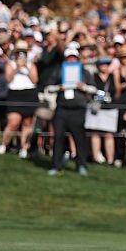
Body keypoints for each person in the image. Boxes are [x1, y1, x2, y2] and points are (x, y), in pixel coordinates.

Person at [48, 44, 91, 177]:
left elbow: (94, 89)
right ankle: (56, 165)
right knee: (58, 137)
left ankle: (81, 165)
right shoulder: (59, 70)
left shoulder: (84, 71)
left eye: (74, 58)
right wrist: (58, 87)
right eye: (69, 58)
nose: (71, 60)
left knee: (79, 139)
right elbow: (49, 87)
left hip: (78, 109)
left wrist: (83, 87)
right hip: (62, 108)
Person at [0, 40, 38, 158]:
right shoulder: (10, 64)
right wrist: (17, 68)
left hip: (29, 93)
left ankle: (24, 147)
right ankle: (4, 144)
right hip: (15, 94)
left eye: (23, 52)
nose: (21, 54)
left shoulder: (31, 65)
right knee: (13, 122)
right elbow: (8, 79)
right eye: (19, 52)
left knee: (27, 122)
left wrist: (26, 66)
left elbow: (35, 80)